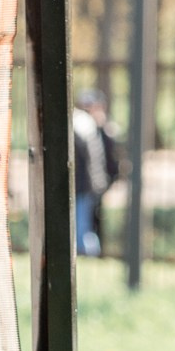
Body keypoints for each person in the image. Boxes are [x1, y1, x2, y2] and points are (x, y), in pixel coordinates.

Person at [71, 89, 120, 258]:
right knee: (86, 223)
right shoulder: (87, 126)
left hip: (88, 185)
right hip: (90, 184)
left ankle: (90, 254)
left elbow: (108, 161)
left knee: (84, 226)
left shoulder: (92, 127)